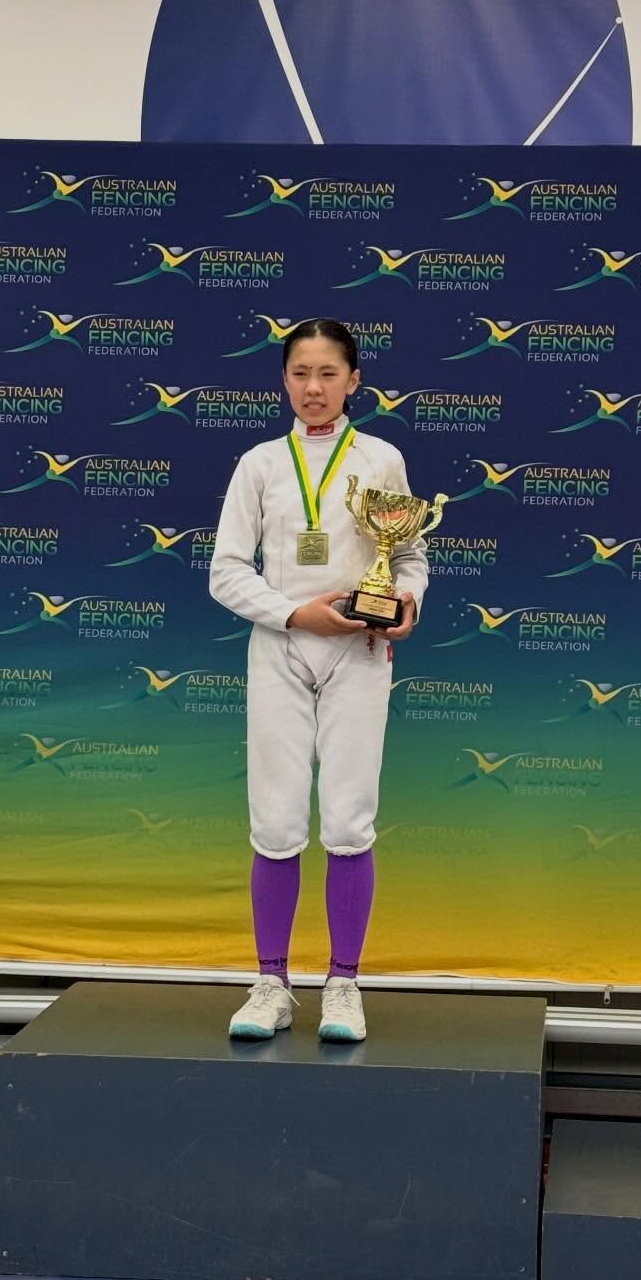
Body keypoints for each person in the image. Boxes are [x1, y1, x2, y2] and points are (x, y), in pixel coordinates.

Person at [209, 318, 428, 1043]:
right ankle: (271, 981)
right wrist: (295, 613)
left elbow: (410, 558)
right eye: (300, 373)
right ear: (283, 381)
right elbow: (226, 571)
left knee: (347, 818)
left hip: (359, 656)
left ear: (354, 380)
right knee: (274, 822)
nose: (313, 388)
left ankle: (343, 983)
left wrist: (404, 605)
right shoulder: (259, 464)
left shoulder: (383, 459)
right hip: (279, 649)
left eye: (328, 373)